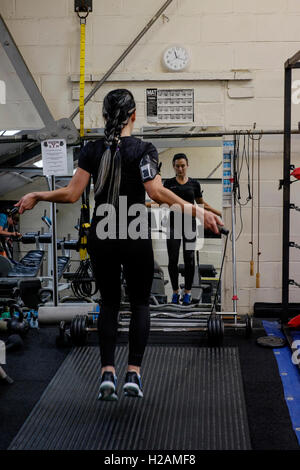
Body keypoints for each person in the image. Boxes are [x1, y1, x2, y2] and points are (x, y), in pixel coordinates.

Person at [15, 89, 222, 402]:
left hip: (103, 231)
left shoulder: (92, 149)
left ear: (104, 117)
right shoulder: (143, 148)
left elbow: (72, 193)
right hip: (134, 229)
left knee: (109, 304)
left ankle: (107, 373)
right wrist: (197, 210)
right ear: (134, 115)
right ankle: (133, 375)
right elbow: (154, 191)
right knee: (139, 303)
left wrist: (37, 195)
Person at [163, 153, 222, 306]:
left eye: (183, 165)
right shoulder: (168, 184)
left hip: (189, 224)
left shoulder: (194, 184)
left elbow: (202, 204)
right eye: (177, 166)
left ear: (187, 166)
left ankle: (187, 293)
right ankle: (175, 292)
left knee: (189, 259)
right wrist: (140, 203)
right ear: (174, 167)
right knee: (172, 259)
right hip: (173, 224)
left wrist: (220, 214)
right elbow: (159, 199)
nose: (180, 168)